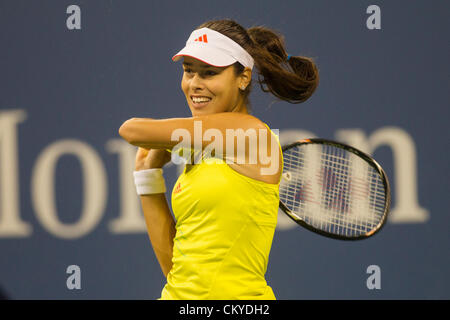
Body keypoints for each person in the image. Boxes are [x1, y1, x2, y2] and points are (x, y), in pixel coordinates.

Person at [119, 19, 319, 300]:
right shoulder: (199, 152)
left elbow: (131, 130)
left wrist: (169, 140)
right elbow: (177, 270)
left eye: (210, 73)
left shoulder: (253, 134)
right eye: (189, 71)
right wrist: (146, 173)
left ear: (243, 77)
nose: (195, 84)